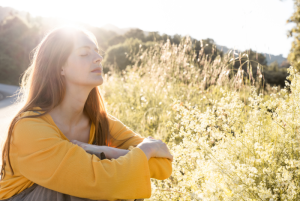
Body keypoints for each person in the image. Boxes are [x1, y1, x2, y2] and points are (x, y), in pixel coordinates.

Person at [0, 25, 173, 201]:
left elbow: (164, 165)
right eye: (84, 54)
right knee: (97, 184)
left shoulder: (100, 122)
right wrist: (142, 152)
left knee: (126, 175)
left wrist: (108, 151)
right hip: (23, 197)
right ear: (59, 67)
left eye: (97, 52)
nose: (98, 58)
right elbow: (103, 182)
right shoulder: (29, 127)